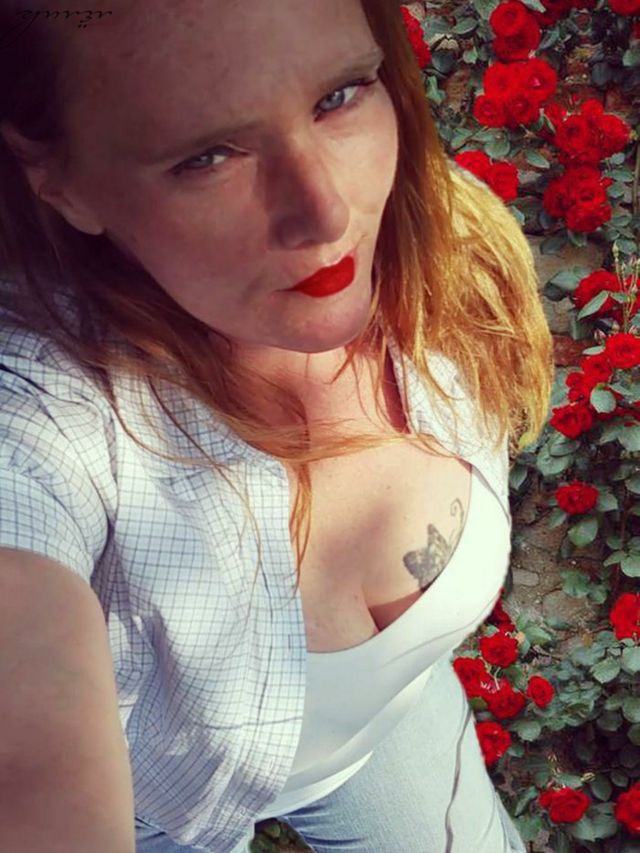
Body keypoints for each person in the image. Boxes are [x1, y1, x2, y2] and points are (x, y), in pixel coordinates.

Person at [0, 0, 554, 850]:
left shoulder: (439, 242)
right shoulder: (42, 411)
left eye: (339, 95)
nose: (327, 212)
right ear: (59, 179)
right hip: (163, 813)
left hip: (390, 730)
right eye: (207, 156)